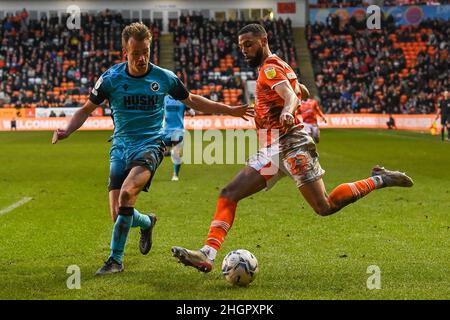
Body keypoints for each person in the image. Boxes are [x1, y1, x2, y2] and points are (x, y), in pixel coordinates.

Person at [172, 24, 414, 273]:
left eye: (249, 44)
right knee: (228, 194)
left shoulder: (269, 68)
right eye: (241, 46)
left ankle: (379, 179)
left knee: (325, 207)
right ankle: (207, 254)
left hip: (291, 144)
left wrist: (288, 108)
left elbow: (291, 95)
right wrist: (293, 94)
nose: (244, 50)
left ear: (264, 40)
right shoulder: (277, 66)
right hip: (272, 149)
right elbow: (300, 90)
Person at [52, 22, 252, 275]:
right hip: (120, 147)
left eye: (146, 51)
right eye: (136, 53)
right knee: (118, 216)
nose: (142, 58)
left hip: (151, 146)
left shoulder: (164, 77)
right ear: (125, 52)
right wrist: (67, 129)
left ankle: (115, 260)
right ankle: (147, 222)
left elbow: (192, 100)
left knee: (126, 196)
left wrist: (229, 110)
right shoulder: (111, 78)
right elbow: (85, 109)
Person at [162, 95, 195, 181]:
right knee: (165, 153)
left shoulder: (181, 100)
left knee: (175, 152)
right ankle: (169, 153)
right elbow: (192, 113)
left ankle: (175, 175)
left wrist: (190, 111)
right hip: (166, 131)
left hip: (178, 131)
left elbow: (192, 112)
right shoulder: (164, 99)